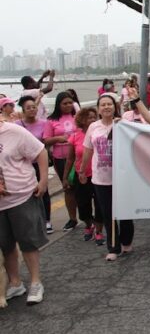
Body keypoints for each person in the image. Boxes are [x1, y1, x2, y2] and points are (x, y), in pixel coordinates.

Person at [0, 119, 49, 305]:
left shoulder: (14, 131)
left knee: (28, 241)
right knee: (5, 244)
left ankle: (36, 282)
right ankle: (15, 282)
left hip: (21, 196)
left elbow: (41, 152)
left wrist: (44, 180)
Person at [80, 95, 133, 262]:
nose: (106, 107)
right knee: (108, 214)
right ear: (98, 108)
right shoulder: (93, 127)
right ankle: (113, 248)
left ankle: (126, 241)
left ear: (114, 106)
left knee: (125, 212)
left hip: (122, 177)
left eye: (109, 104)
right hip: (101, 179)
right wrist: (82, 170)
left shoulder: (122, 124)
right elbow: (88, 150)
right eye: (103, 105)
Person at [63, 107, 104, 244]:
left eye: (94, 117)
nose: (92, 120)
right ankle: (89, 225)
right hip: (82, 176)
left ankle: (98, 231)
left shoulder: (100, 134)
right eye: (89, 117)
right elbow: (69, 159)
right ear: (82, 120)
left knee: (99, 205)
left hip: (98, 176)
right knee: (82, 205)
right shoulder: (74, 136)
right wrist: (65, 177)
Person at [15, 96, 53, 234]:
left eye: (34, 107)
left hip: (39, 163)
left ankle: (47, 220)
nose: (32, 110)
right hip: (24, 165)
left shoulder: (44, 123)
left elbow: (46, 142)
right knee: (28, 192)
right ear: (23, 110)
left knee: (43, 190)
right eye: (28, 108)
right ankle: (32, 221)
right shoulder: (17, 125)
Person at [44, 92, 79, 232]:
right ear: (58, 104)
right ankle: (72, 218)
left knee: (83, 187)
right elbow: (46, 140)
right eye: (65, 103)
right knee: (68, 187)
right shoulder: (51, 120)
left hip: (79, 157)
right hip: (61, 159)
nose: (68, 105)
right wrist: (59, 139)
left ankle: (88, 217)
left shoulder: (78, 117)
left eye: (70, 102)